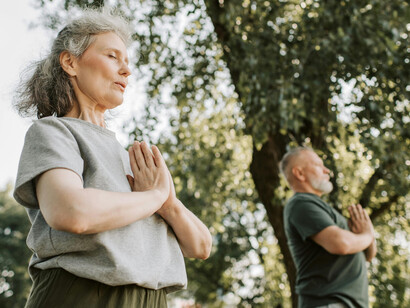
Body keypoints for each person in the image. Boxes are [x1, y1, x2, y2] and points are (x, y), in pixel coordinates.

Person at [13, 8, 212, 308]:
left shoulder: (134, 162)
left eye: (127, 61)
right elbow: (70, 211)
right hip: (80, 296)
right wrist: (155, 196)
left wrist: (168, 204)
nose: (126, 70)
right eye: (112, 56)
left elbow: (201, 245)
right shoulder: (54, 132)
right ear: (70, 62)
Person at [280, 147, 377, 308]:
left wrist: (367, 237)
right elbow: (341, 244)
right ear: (299, 173)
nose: (327, 171)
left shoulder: (326, 211)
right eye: (318, 165)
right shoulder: (301, 204)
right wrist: (367, 235)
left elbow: (366, 254)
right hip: (328, 303)